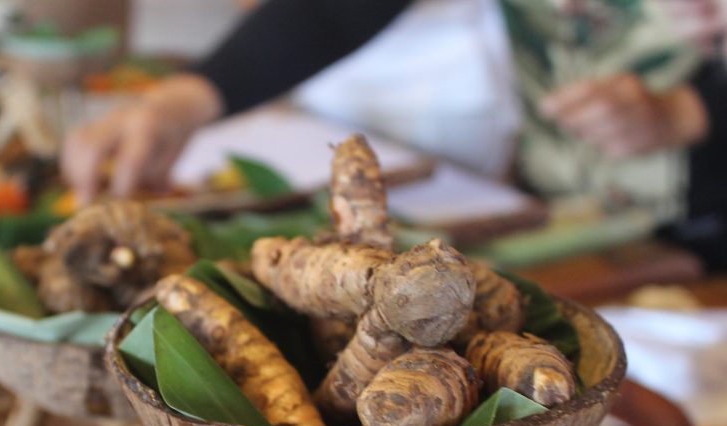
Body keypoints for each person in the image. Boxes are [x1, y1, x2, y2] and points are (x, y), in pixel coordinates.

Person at [63, 0, 727, 269]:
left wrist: (690, 112)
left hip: (706, 216)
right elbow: (339, 9)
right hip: (585, 213)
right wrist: (188, 98)